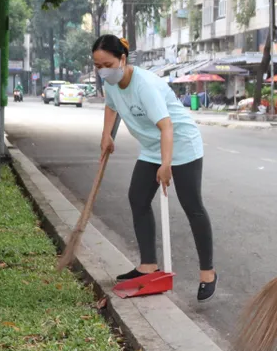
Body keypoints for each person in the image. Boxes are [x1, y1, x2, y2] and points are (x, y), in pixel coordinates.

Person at [91, 35, 218, 302]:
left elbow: (167, 126)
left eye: (107, 64)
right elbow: (111, 106)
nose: (102, 70)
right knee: (137, 198)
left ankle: (208, 272)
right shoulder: (112, 84)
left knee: (192, 206)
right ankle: (148, 265)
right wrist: (106, 135)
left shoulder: (144, 85)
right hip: (151, 147)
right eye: (97, 65)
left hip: (181, 145)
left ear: (123, 59)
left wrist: (166, 164)